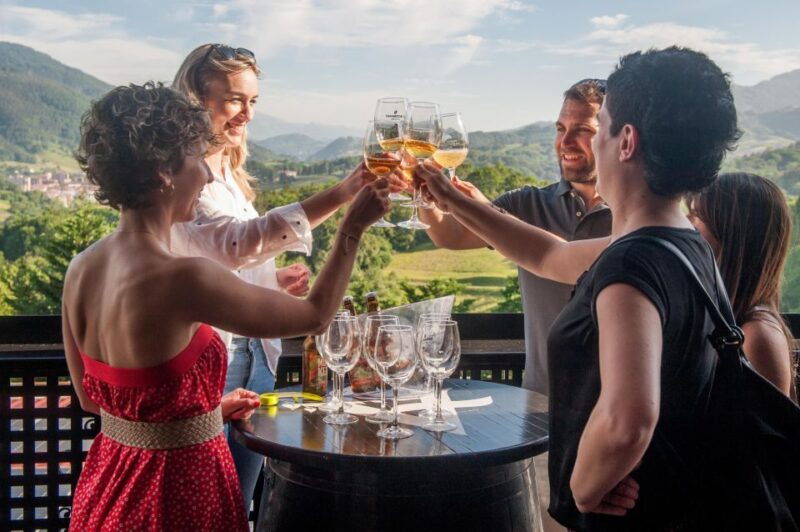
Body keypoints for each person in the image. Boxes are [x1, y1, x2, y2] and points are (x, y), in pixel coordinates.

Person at [418, 46, 741, 530]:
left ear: (625, 141)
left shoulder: (630, 266)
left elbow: (629, 419)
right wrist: (448, 198)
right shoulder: (680, 242)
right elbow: (548, 256)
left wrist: (583, 486)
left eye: (601, 127)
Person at [63, 82, 389, 531]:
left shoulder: (81, 269)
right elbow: (314, 316)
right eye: (198, 157)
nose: (209, 175)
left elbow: (96, 402)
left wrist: (205, 413)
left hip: (109, 484)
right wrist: (351, 229)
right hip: (176, 493)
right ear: (164, 172)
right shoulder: (185, 277)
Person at [170, 43, 404, 510]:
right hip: (217, 355)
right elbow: (233, 244)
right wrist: (342, 197)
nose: (246, 115)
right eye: (234, 99)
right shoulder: (183, 174)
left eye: (253, 101)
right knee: (211, 497)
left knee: (238, 494)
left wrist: (271, 280)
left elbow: (224, 261)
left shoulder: (228, 170)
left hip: (258, 353)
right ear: (195, 98)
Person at [420, 79, 611, 395]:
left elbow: (554, 255)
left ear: (615, 137)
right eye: (561, 129)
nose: (566, 141)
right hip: (540, 397)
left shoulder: (632, 218)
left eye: (583, 131)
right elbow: (449, 235)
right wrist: (425, 200)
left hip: (610, 405)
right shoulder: (526, 203)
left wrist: (469, 206)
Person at [688, 172, 797, 399]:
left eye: (696, 217)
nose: (686, 227)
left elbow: (767, 433)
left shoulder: (758, 334)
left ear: (731, 232)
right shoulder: (725, 317)